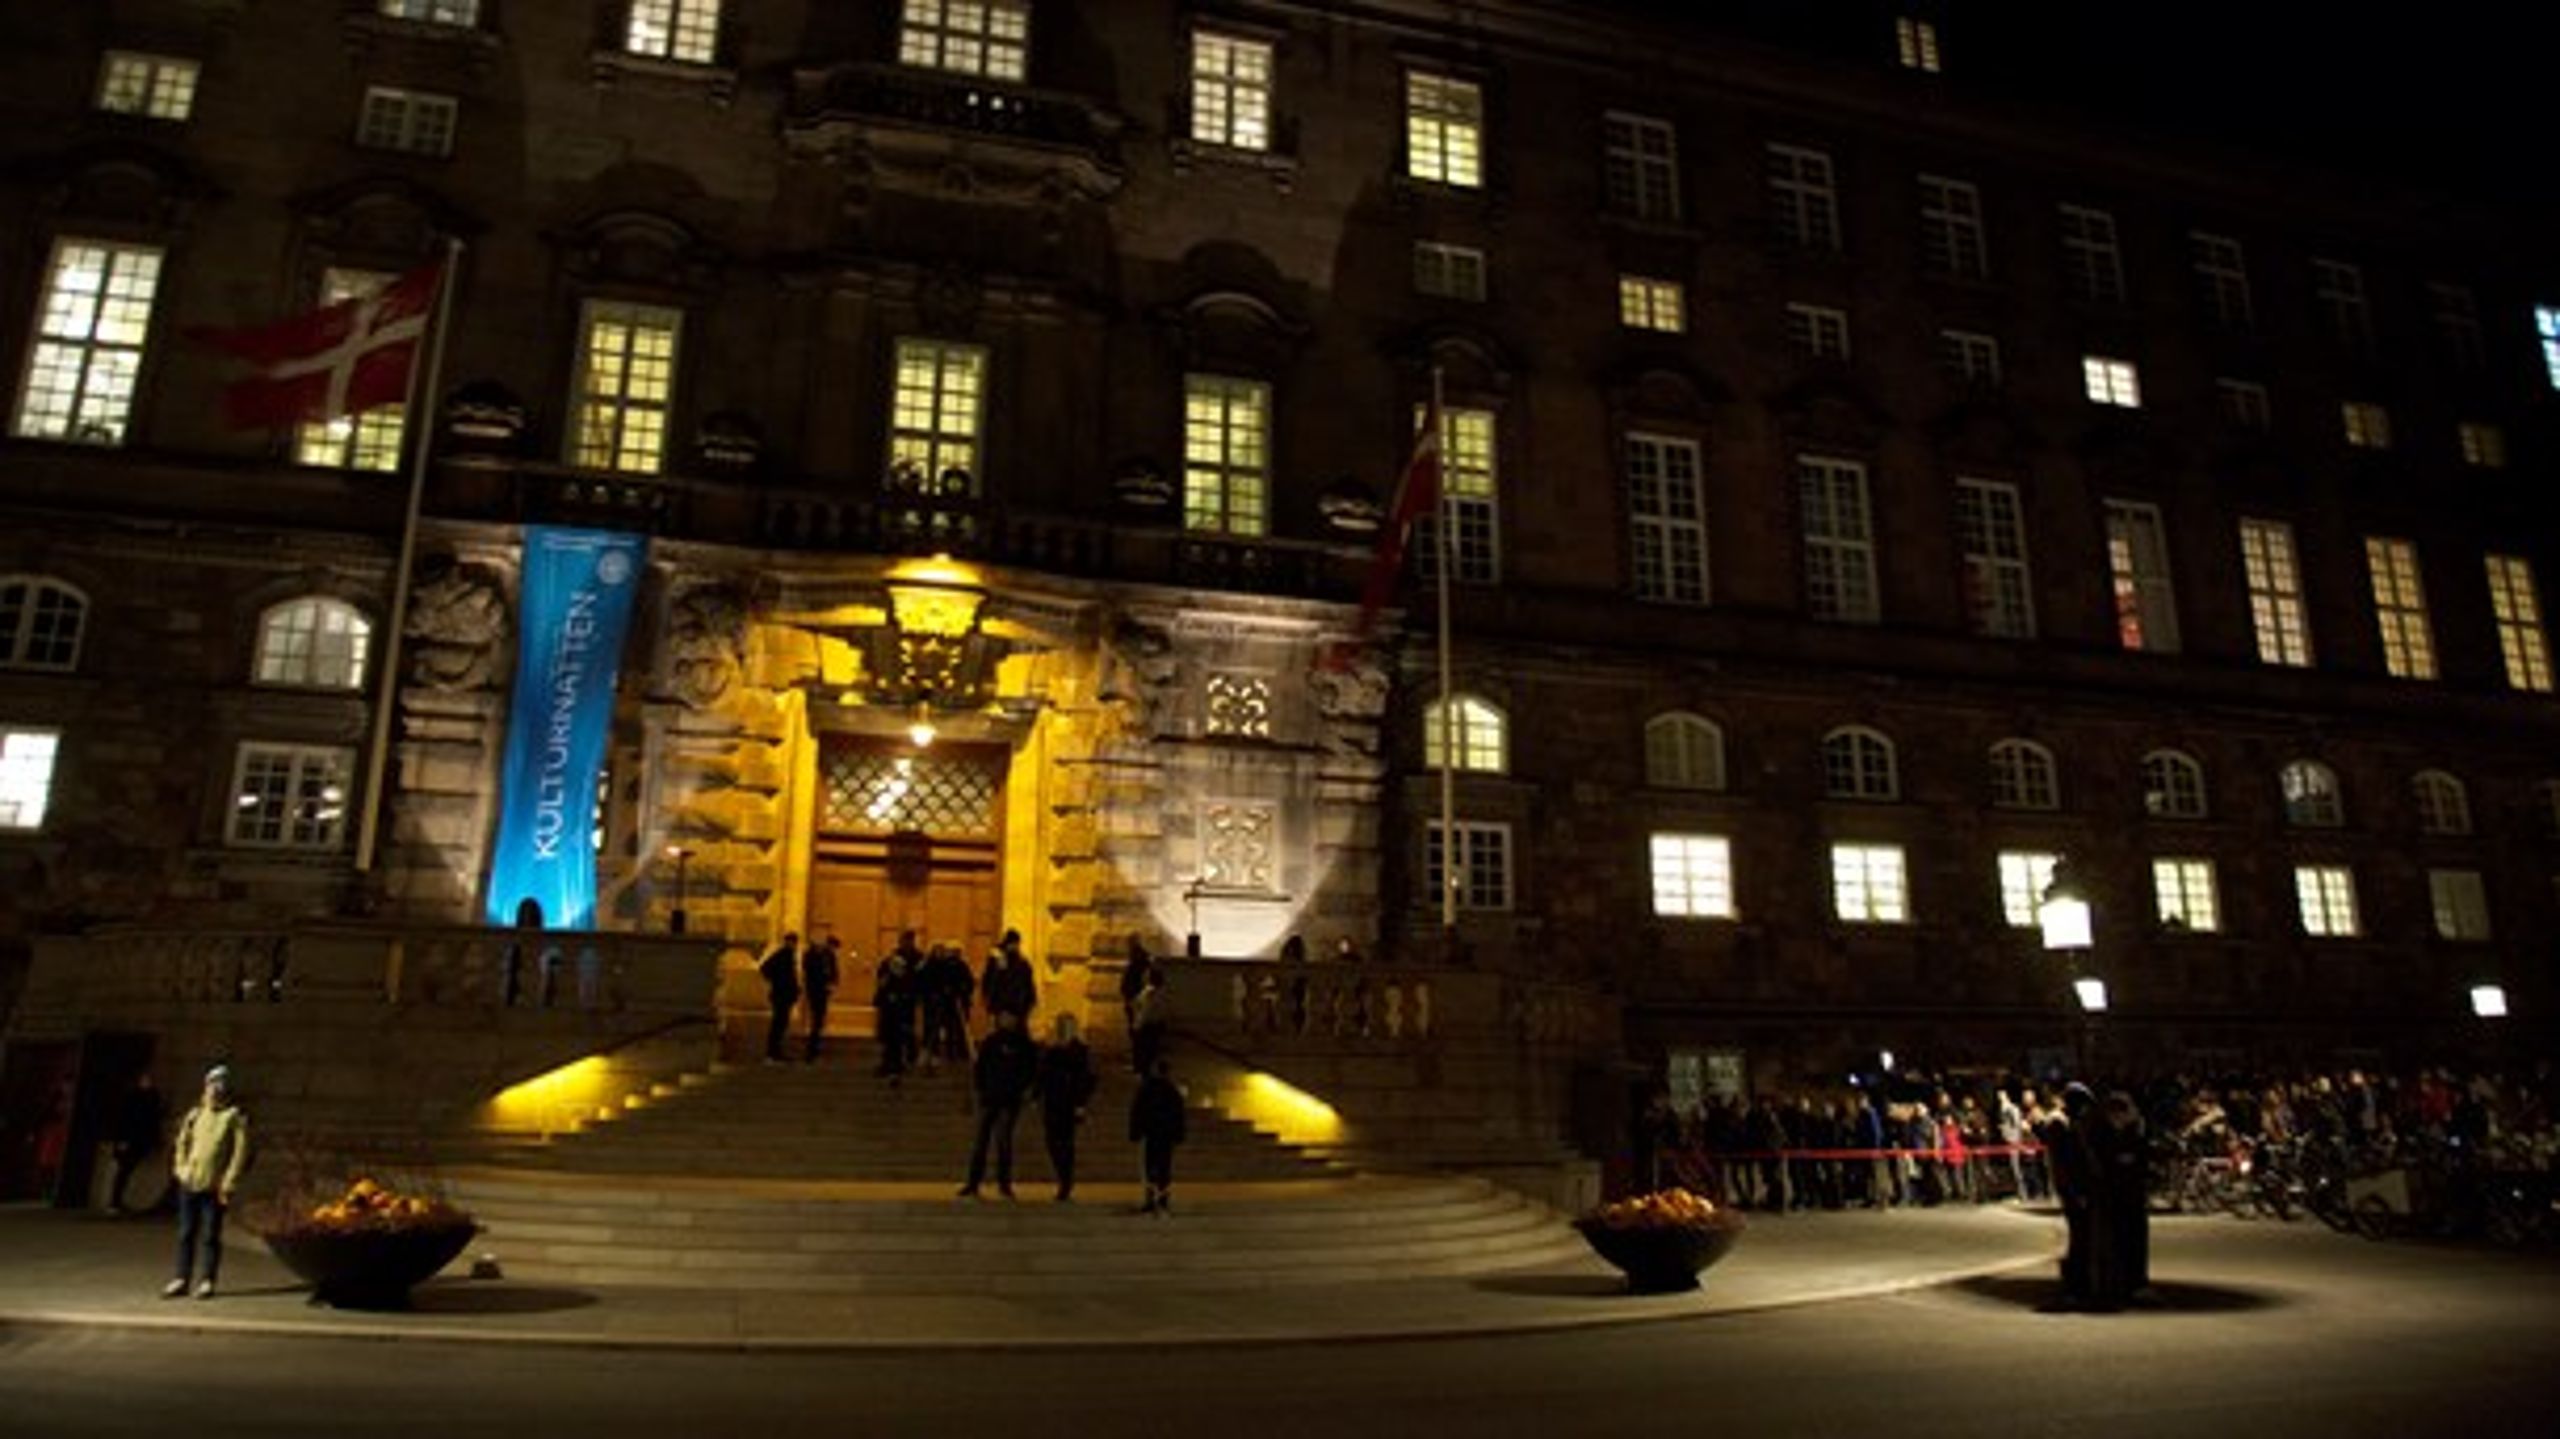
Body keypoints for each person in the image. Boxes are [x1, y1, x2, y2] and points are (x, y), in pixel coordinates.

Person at [165, 1065, 249, 1300]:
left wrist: (229, 1180)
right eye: (213, 1083)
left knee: (211, 1235)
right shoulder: (195, 1114)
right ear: (206, 1086)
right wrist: (181, 1169)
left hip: (215, 1186)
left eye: (221, 1083)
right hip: (190, 1182)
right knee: (186, 1232)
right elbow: (181, 1143)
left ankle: (207, 1281)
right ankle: (181, 1278)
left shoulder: (234, 1116)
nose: (216, 1088)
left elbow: (239, 1152)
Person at [960, 1010, 1039, 1199]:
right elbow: (981, 1067)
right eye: (1003, 1016)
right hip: (990, 1097)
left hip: (1010, 1099)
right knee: (981, 1142)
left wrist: (1023, 1090)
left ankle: (1004, 1183)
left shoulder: (1024, 1045)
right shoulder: (991, 1042)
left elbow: (1031, 1070)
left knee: (1004, 1142)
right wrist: (980, 1089)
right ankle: (973, 1182)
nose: (1007, 1020)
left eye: (1010, 1017)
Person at [2090, 1089, 2152, 1307]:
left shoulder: (2136, 1130)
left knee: (2133, 1239)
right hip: (2114, 1193)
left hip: (2131, 1193)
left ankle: (2133, 1283)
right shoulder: (2104, 1133)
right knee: (2116, 1240)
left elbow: (2142, 1157)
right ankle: (2119, 1283)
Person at [2040, 1083, 2100, 1309]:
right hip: (2074, 1189)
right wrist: (2075, 1192)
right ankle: (2074, 1287)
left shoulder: (2070, 1124)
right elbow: (2065, 1163)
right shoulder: (2060, 1125)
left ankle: (2079, 1286)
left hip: (2076, 1188)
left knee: (2082, 1238)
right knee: (2079, 1238)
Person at [1036, 1014, 1098, 1202]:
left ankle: (1066, 1180)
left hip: (1069, 1102)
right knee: (1052, 1142)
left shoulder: (1079, 1050)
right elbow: (1042, 1074)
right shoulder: (1050, 1050)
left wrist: (1080, 1104)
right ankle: (1063, 1177)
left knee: (1065, 1143)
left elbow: (1085, 1079)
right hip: (1052, 1101)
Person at [1131, 1057, 1188, 1216]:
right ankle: (1163, 1199)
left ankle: (1150, 1199)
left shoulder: (1146, 1089)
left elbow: (1138, 1112)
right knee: (1165, 1167)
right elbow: (1179, 1115)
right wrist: (1179, 1134)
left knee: (1150, 1167)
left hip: (1152, 1133)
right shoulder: (1172, 1091)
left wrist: (1136, 1132)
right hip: (1166, 1135)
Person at [107, 1070, 166, 1215]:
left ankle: (118, 1201)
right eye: (145, 1079)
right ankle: (114, 1202)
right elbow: (123, 1119)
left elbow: (154, 1120)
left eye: (150, 1080)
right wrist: (121, 1140)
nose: (148, 1082)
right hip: (130, 1139)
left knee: (127, 1170)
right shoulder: (132, 1096)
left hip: (142, 1139)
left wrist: (156, 1140)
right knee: (124, 1171)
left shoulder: (153, 1096)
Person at [874, 940, 918, 1080]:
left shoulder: (907, 982)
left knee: (897, 1045)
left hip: (900, 1019)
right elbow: (877, 1000)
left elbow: (911, 999)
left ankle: (896, 1066)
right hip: (889, 1019)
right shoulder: (887, 981)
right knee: (889, 1045)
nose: (898, 969)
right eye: (896, 966)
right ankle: (888, 1065)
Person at [757, 932, 800, 1064]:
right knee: (778, 1024)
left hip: (784, 994)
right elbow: (764, 968)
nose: (794, 945)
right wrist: (778, 982)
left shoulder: (788, 955)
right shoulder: (782, 954)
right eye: (792, 942)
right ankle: (773, 1052)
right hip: (781, 994)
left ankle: (776, 1052)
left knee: (781, 1024)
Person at [983, 928, 1038, 1026]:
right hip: (1007, 1004)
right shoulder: (1000, 959)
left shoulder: (1020, 962)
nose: (1016, 946)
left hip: (1013, 1005)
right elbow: (991, 980)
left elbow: (1027, 983)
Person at [801, 932, 841, 1063]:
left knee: (818, 1021)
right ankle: (811, 1052)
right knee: (817, 1021)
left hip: (819, 992)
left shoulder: (826, 956)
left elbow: (832, 972)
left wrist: (832, 982)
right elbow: (815, 973)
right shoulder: (818, 956)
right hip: (817, 992)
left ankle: (813, 1050)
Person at [1118, 935, 1154, 1037]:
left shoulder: (1139, 959)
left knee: (1136, 1027)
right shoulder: (1140, 958)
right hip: (1134, 996)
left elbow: (1133, 979)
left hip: (1135, 997)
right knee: (1134, 1026)